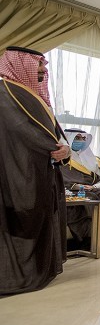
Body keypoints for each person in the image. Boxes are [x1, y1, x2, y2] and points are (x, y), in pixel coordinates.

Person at [0, 46, 71, 295]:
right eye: (39, 64)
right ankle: (17, 276)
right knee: (18, 221)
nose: (43, 69)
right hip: (15, 172)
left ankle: (40, 269)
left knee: (41, 219)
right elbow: (23, 129)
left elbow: (54, 132)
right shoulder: (5, 93)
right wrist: (55, 147)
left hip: (42, 171)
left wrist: (65, 150)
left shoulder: (33, 96)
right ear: (21, 63)